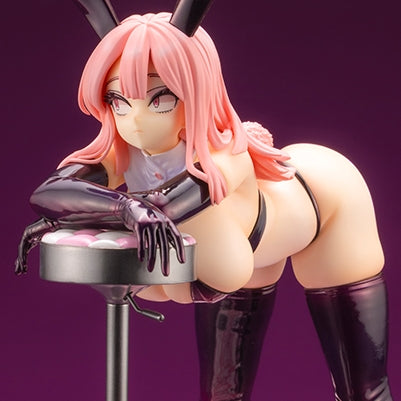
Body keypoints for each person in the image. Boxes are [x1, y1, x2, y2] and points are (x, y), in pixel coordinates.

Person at [16, 10, 392, 401]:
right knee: (221, 394)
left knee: (363, 391)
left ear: (195, 89)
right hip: (225, 262)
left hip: (329, 205)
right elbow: (49, 191)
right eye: (118, 100)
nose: (136, 120)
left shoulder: (227, 153)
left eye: (160, 99)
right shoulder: (122, 151)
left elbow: (168, 204)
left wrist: (83, 214)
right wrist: (116, 210)